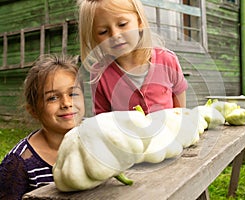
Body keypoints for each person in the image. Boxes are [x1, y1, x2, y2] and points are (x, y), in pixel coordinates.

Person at [77, 0, 188, 115]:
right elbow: (103, 120)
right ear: (94, 38)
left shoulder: (167, 60)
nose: (115, 35)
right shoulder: (100, 74)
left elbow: (180, 111)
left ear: (140, 22)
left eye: (122, 24)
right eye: (103, 31)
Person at [0, 54, 85, 200]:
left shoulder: (99, 137)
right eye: (52, 98)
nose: (66, 103)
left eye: (73, 93)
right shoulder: (19, 163)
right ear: (34, 111)